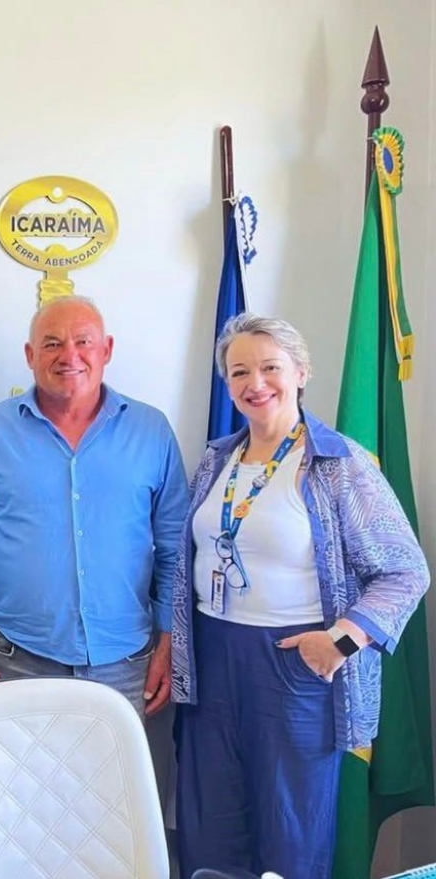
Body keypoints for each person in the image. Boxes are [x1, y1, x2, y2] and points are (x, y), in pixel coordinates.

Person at [171, 313, 429, 878]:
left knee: (290, 830)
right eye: (240, 371)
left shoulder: (339, 463)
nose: (255, 382)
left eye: (270, 367)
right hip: (212, 660)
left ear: (301, 372)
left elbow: (406, 572)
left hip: (294, 664)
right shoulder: (216, 459)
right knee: (210, 824)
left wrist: (342, 640)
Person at [0, 295, 188, 717]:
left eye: (83, 342)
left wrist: (170, 643)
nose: (69, 355)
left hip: (125, 662)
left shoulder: (152, 431)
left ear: (106, 350)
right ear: (30, 355)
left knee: (116, 766)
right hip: (16, 658)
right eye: (52, 343)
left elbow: (175, 546)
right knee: (19, 766)